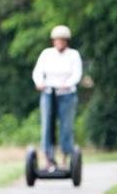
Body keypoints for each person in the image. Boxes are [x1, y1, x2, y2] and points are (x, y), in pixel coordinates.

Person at [32, 25, 82, 170]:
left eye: (62, 40)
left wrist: (67, 84)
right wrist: (39, 83)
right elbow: (38, 71)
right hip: (48, 93)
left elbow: (76, 74)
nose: (59, 42)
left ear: (66, 41)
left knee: (66, 127)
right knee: (47, 126)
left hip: (66, 95)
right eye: (57, 40)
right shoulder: (47, 54)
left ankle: (66, 158)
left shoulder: (73, 55)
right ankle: (49, 159)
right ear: (53, 41)